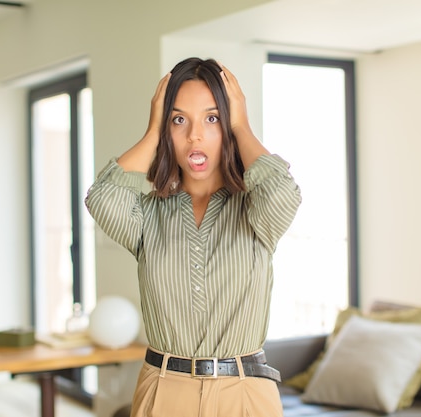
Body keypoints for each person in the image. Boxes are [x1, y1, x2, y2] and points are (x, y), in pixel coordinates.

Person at [85, 57, 301, 417]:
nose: (194, 135)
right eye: (179, 119)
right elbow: (103, 198)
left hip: (246, 394)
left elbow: (283, 194)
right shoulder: (147, 216)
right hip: (164, 391)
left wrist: (242, 126)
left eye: (212, 118)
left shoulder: (256, 211)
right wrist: (154, 130)